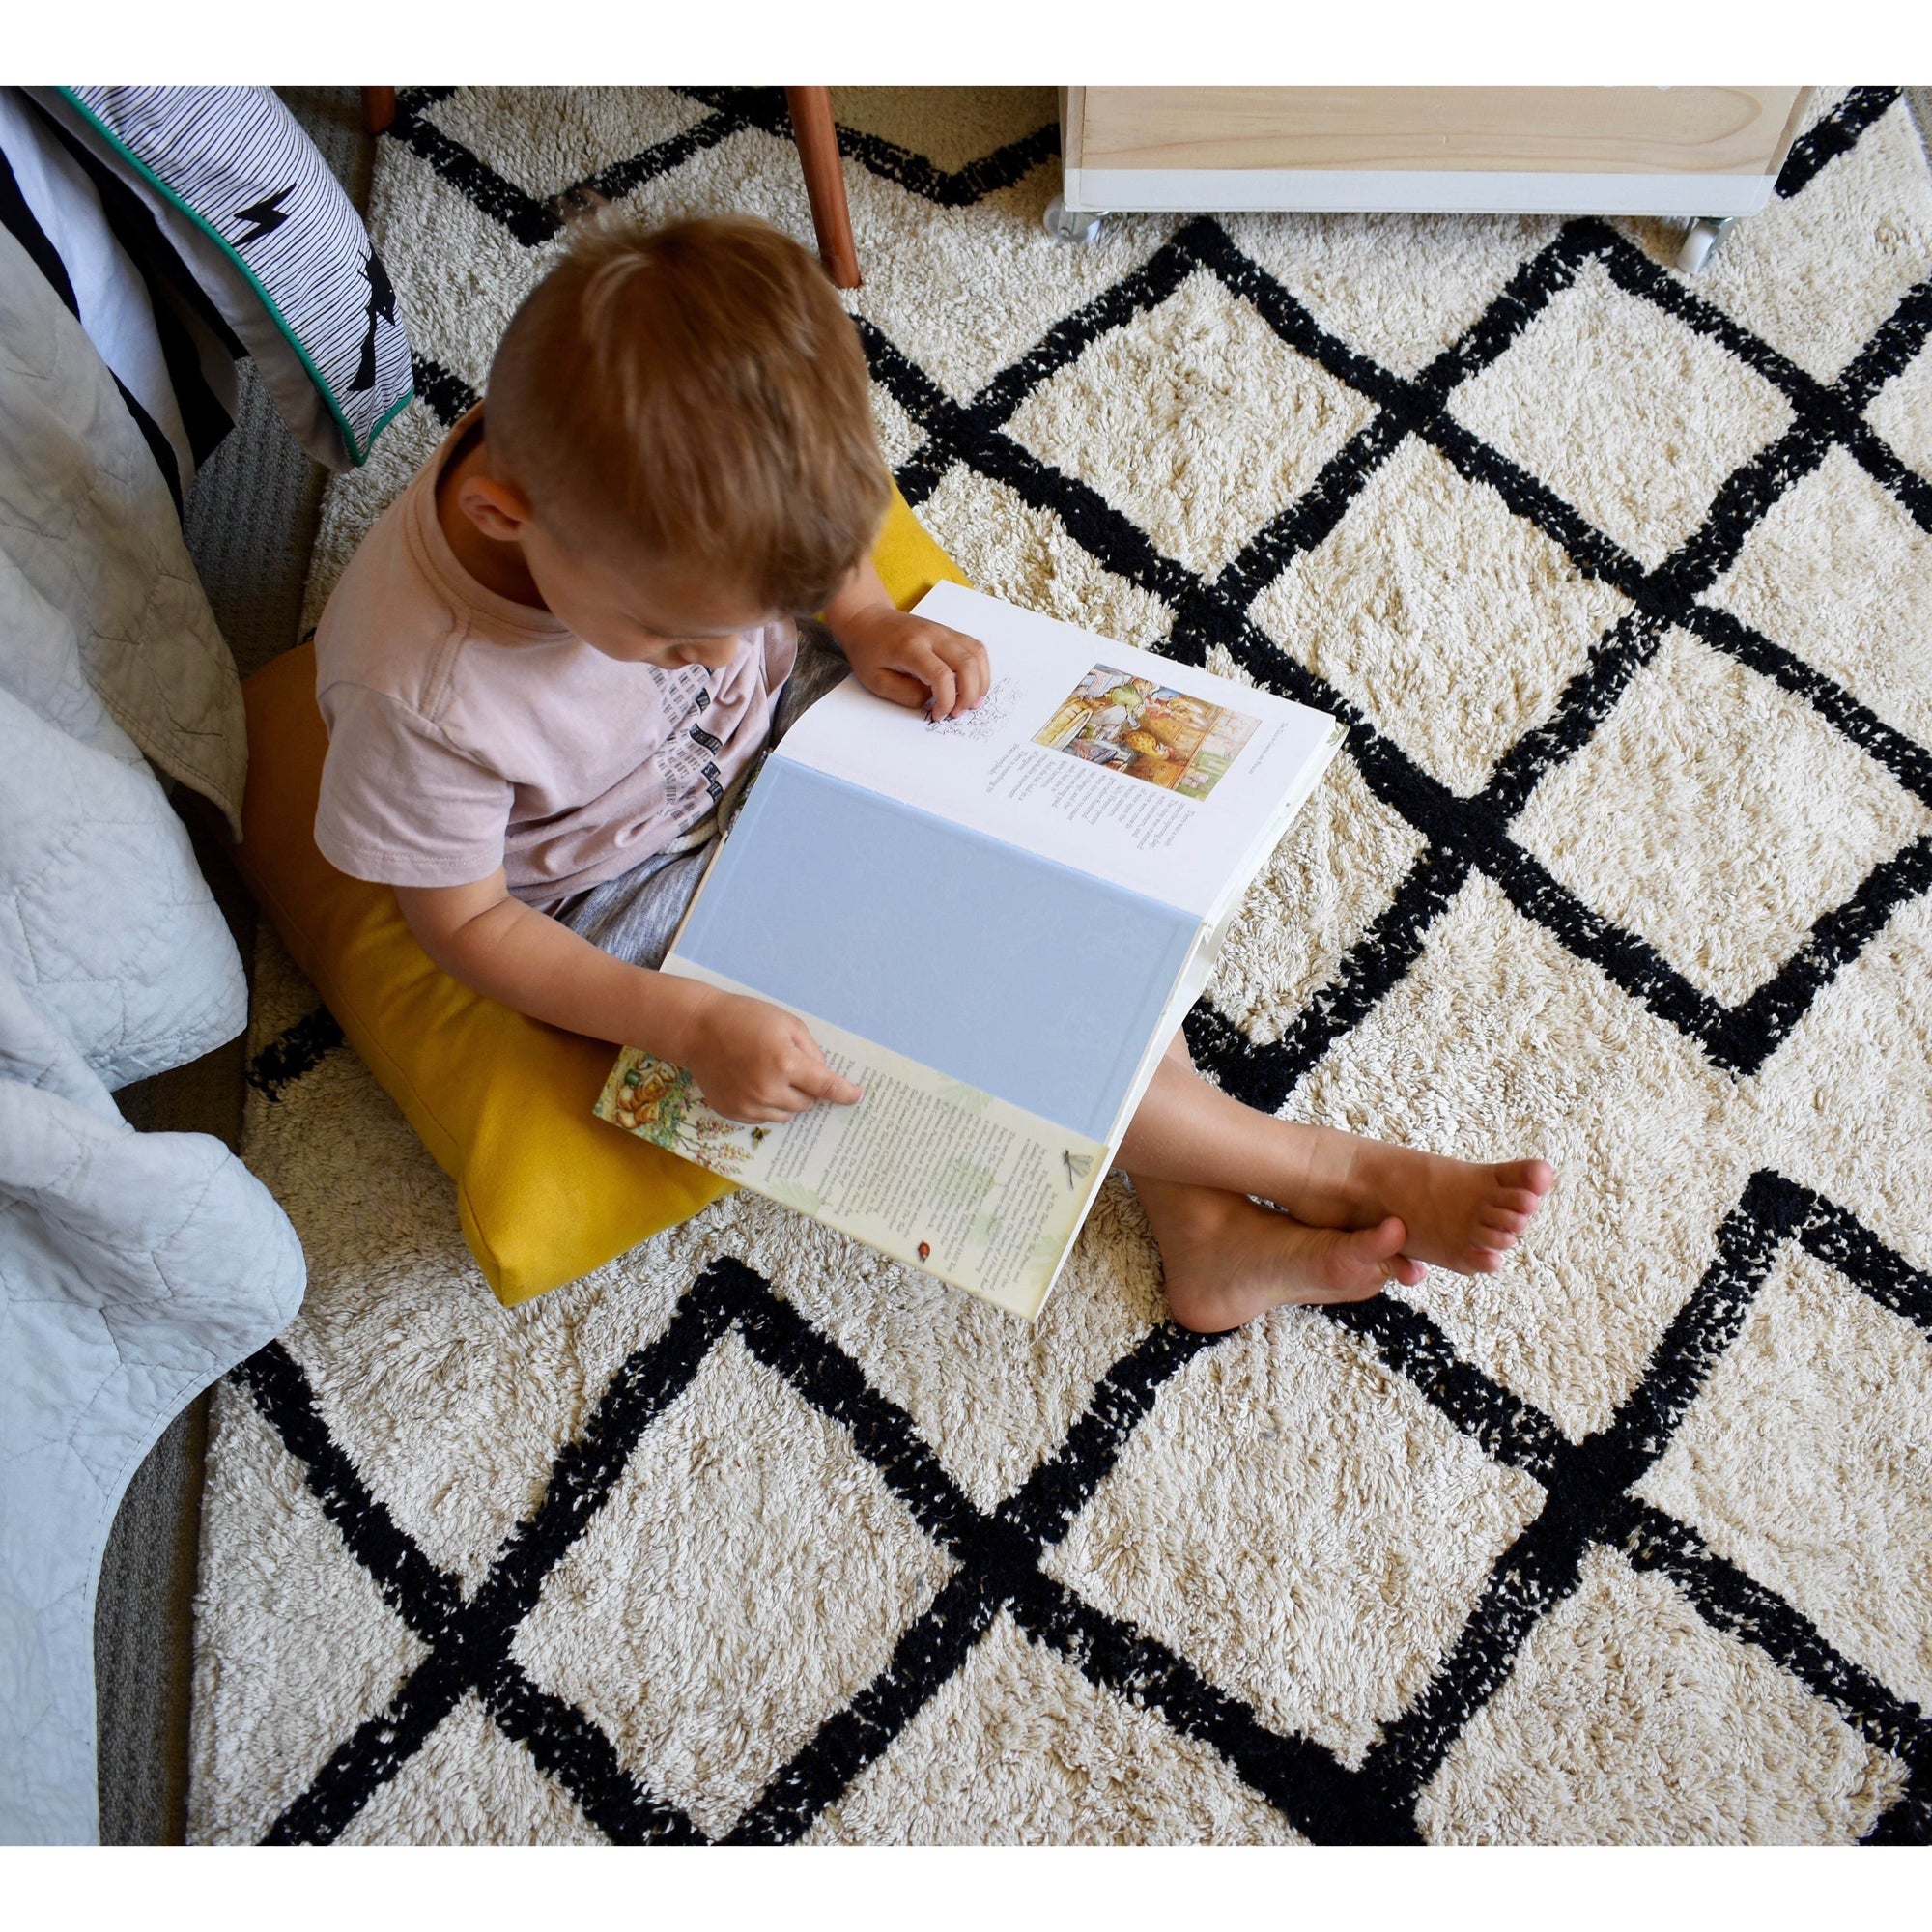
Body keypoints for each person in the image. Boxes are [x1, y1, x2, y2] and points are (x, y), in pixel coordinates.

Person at [313, 213, 1553, 1333]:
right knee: (950, 1018)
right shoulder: (424, 690)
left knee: (1056, 889)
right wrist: (679, 1021)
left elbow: (826, 547)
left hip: (790, 742)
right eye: (672, 639)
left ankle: (1200, 1228)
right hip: (622, 882)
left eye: (754, 611)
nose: (702, 658)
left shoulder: (709, 521)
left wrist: (856, 618)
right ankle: (1333, 1172)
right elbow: (462, 921)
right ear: (498, 512)